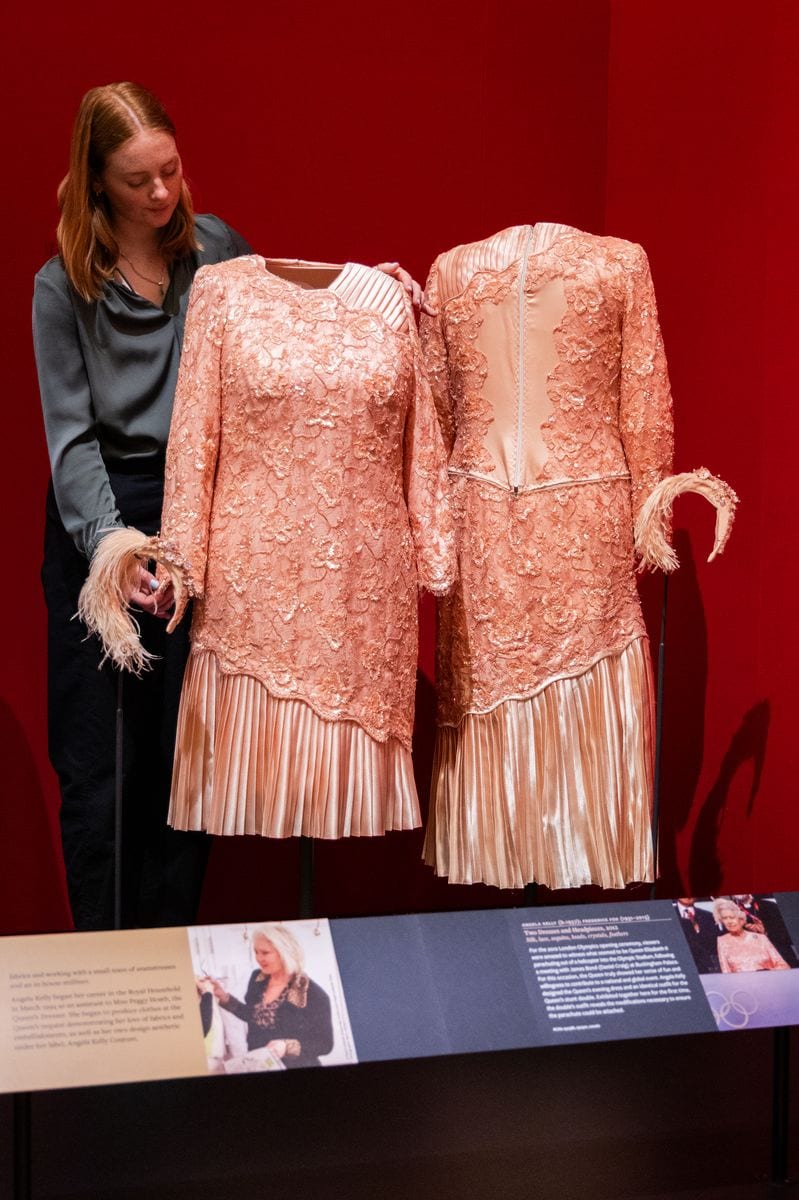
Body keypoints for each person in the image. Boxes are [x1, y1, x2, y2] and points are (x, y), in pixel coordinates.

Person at [34, 81, 419, 932]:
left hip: (202, 511)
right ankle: (105, 972)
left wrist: (367, 294)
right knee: (103, 767)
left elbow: (288, 322)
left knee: (184, 763)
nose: (162, 193)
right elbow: (71, 443)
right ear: (97, 183)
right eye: (139, 181)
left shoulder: (216, 252)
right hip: (106, 518)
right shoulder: (62, 287)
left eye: (170, 170)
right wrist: (119, 551)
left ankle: (173, 974)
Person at [206, 925, 334, 1068]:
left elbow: (325, 1044)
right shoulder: (257, 978)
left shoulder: (314, 995)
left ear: (285, 952)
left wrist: (286, 1047)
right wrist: (223, 997)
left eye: (265, 953)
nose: (259, 958)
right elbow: (252, 1015)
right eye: (256, 952)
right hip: (260, 1065)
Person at [712, 897, 790, 974]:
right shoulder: (722, 941)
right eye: (725, 918)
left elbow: (784, 966)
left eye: (732, 917)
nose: (729, 922)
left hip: (768, 981)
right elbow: (726, 974)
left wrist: (765, 972)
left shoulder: (761, 938)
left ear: (741, 919)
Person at [674, 898, 720, 974]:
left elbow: (713, 944)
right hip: (677, 966)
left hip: (704, 968)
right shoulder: (667, 915)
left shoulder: (708, 916)